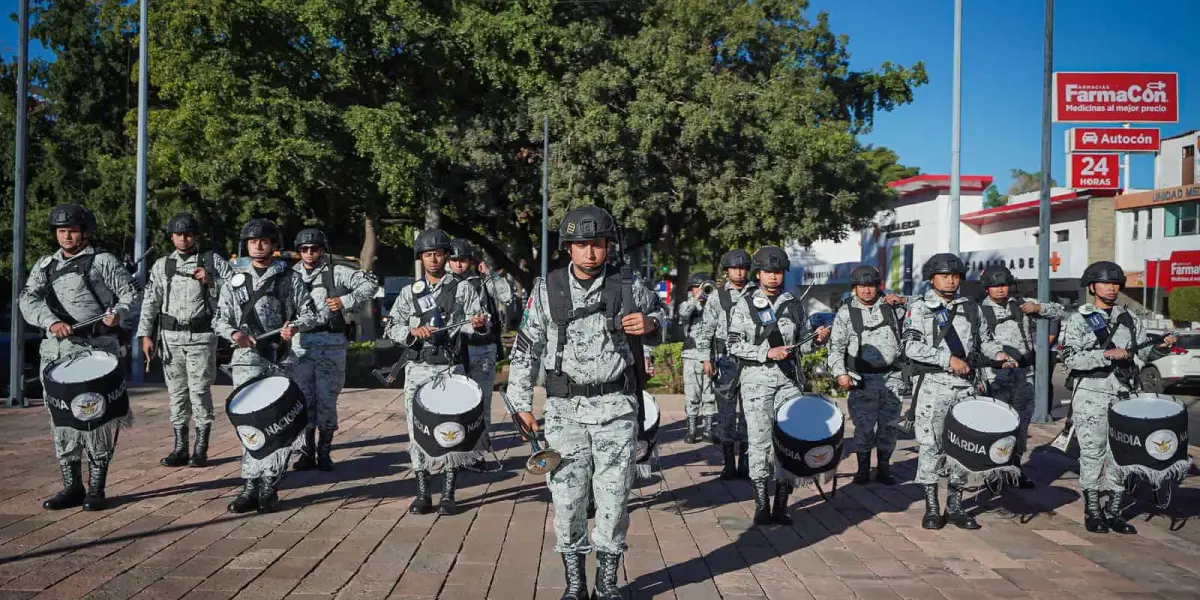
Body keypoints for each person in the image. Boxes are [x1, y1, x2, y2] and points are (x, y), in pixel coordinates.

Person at [505, 206, 665, 600]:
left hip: (616, 408)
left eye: (597, 244)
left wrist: (652, 324)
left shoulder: (629, 286)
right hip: (565, 412)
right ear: (568, 248)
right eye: (581, 245)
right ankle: (575, 584)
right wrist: (520, 402)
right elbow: (526, 348)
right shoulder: (547, 290)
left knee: (613, 498)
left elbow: (663, 316)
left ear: (609, 246)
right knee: (568, 498)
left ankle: (607, 583)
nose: (589, 253)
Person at [20, 204, 141, 511]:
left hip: (96, 350)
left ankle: (97, 488)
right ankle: (71, 485)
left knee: (96, 417)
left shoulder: (103, 261)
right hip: (57, 352)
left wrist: (119, 314)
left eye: (72, 230)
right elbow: (27, 298)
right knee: (61, 419)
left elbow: (132, 294)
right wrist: (50, 322)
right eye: (61, 231)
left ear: (85, 232)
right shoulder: (45, 265)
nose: (67, 236)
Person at [1060, 261, 1176, 534]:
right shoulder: (1079, 320)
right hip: (1091, 394)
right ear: (1092, 287)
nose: (1112, 288)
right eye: (1105, 283)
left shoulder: (1129, 318)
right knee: (1092, 453)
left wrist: (1160, 348)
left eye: (1116, 284)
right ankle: (1092, 510)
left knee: (1121, 455)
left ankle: (1114, 511)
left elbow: (1144, 354)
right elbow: (1069, 359)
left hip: (1124, 395)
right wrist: (1105, 354)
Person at [214, 218, 318, 514]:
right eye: (252, 242)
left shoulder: (288, 277)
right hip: (246, 358)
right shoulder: (234, 278)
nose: (258, 246)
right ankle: (249, 485)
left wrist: (293, 327)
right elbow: (219, 319)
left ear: (274, 245)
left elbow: (310, 314)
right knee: (249, 423)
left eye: (264, 241)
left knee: (277, 422)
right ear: (245, 245)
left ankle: (270, 486)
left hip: (279, 358)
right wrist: (233, 334)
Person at [720, 246, 829, 525]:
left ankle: (781, 503)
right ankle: (761, 503)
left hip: (788, 381)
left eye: (778, 272)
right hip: (756, 381)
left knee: (789, 442)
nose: (773, 277)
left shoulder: (793, 302)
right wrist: (765, 353)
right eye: (768, 272)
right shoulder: (744, 304)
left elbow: (802, 338)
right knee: (758, 442)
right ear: (759, 273)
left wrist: (816, 339)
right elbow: (733, 344)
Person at [903, 253, 1011, 531]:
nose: (950, 281)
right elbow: (911, 347)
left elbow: (983, 341)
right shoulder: (920, 308)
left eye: (955, 276)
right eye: (944, 276)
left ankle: (955, 505)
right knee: (931, 446)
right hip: (933, 387)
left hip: (966, 388)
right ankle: (931, 507)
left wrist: (998, 353)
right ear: (932, 278)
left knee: (962, 447)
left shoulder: (971, 308)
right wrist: (946, 359)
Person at [384, 229, 487, 516]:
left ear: (446, 257)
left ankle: (449, 494)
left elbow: (475, 322)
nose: (433, 259)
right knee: (418, 430)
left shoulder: (463, 288)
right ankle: (422, 492)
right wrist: (411, 331)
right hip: (418, 369)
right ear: (421, 258)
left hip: (450, 367)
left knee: (451, 429)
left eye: (438, 254)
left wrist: (478, 324)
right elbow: (391, 327)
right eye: (428, 255)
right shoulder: (409, 292)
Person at [137, 212, 230, 469]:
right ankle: (180, 447)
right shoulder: (162, 265)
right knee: (177, 393)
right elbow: (150, 302)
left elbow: (238, 288)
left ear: (196, 236)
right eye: (179, 234)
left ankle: (201, 449)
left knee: (199, 391)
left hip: (201, 336)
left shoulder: (212, 260)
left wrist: (213, 280)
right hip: (170, 337)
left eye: (188, 234)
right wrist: (145, 334)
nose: (184, 239)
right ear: (172, 237)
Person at [289, 228, 379, 471]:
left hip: (331, 344)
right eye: (304, 249)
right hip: (301, 346)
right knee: (304, 400)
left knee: (327, 400)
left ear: (322, 250)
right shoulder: (289, 275)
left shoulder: (336, 272)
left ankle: (325, 451)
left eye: (315, 248)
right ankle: (306, 451)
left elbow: (370, 284)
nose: (309, 253)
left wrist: (345, 301)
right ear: (299, 251)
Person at [977, 265, 1064, 488]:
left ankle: (1015, 468)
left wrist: (1038, 307)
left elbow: (1059, 311)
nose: (1001, 290)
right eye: (995, 286)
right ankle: (994, 472)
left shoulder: (1021, 305)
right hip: (996, 376)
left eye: (1004, 285)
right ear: (987, 288)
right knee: (996, 426)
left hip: (1024, 375)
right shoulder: (979, 311)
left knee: (1021, 425)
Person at [826, 265, 905, 486]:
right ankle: (862, 469)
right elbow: (836, 347)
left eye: (871, 286)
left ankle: (884, 466)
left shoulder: (891, 306)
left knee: (889, 426)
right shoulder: (846, 312)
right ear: (855, 288)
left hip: (891, 378)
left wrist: (902, 300)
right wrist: (840, 373)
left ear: (878, 286)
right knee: (863, 427)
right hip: (861, 379)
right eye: (862, 286)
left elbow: (925, 306)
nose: (867, 291)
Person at [448, 238, 514, 462]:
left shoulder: (482, 281)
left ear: (472, 261)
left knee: (482, 403)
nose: (459, 265)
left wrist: (490, 273)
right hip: (455, 352)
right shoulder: (444, 284)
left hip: (482, 349)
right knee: (457, 404)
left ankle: (479, 453)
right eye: (454, 260)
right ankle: (459, 452)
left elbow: (506, 296)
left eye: (463, 260)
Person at [696, 249, 754, 479]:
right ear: (727, 271)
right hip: (726, 361)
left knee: (751, 412)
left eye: (743, 268)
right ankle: (729, 463)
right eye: (734, 268)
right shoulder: (717, 296)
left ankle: (748, 462)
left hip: (752, 361)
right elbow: (706, 330)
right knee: (727, 413)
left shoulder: (757, 293)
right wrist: (705, 357)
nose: (739, 272)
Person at [678, 272, 717, 443]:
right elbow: (684, 315)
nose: (700, 290)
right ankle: (692, 430)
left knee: (709, 394)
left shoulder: (714, 306)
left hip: (710, 355)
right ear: (691, 289)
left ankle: (708, 430)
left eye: (704, 287)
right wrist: (696, 300)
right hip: (692, 356)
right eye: (697, 287)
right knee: (692, 395)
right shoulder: (687, 305)